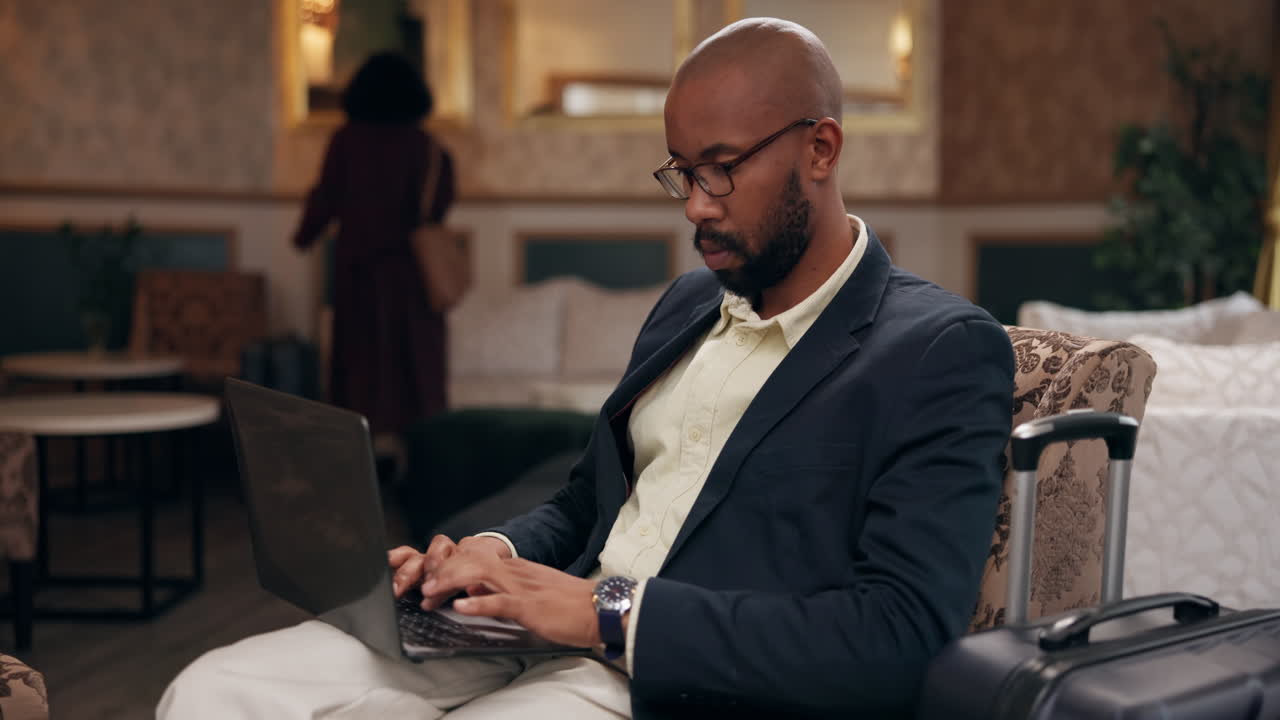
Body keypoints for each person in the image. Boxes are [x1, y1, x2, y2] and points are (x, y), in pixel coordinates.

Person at [160, 18, 1014, 719]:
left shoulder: (938, 350)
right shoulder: (687, 303)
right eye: (681, 171)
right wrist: (489, 556)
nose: (695, 205)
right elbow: (584, 502)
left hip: (677, 682)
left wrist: (607, 613)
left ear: (821, 149)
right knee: (209, 694)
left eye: (720, 168)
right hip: (529, 635)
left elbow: (900, 638)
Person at [292, 52, 456, 452]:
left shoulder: (346, 141)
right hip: (414, 280)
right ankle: (418, 468)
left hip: (359, 277)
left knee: (361, 376)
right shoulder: (427, 146)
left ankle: (359, 469)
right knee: (415, 377)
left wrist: (303, 236)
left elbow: (325, 199)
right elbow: (438, 206)